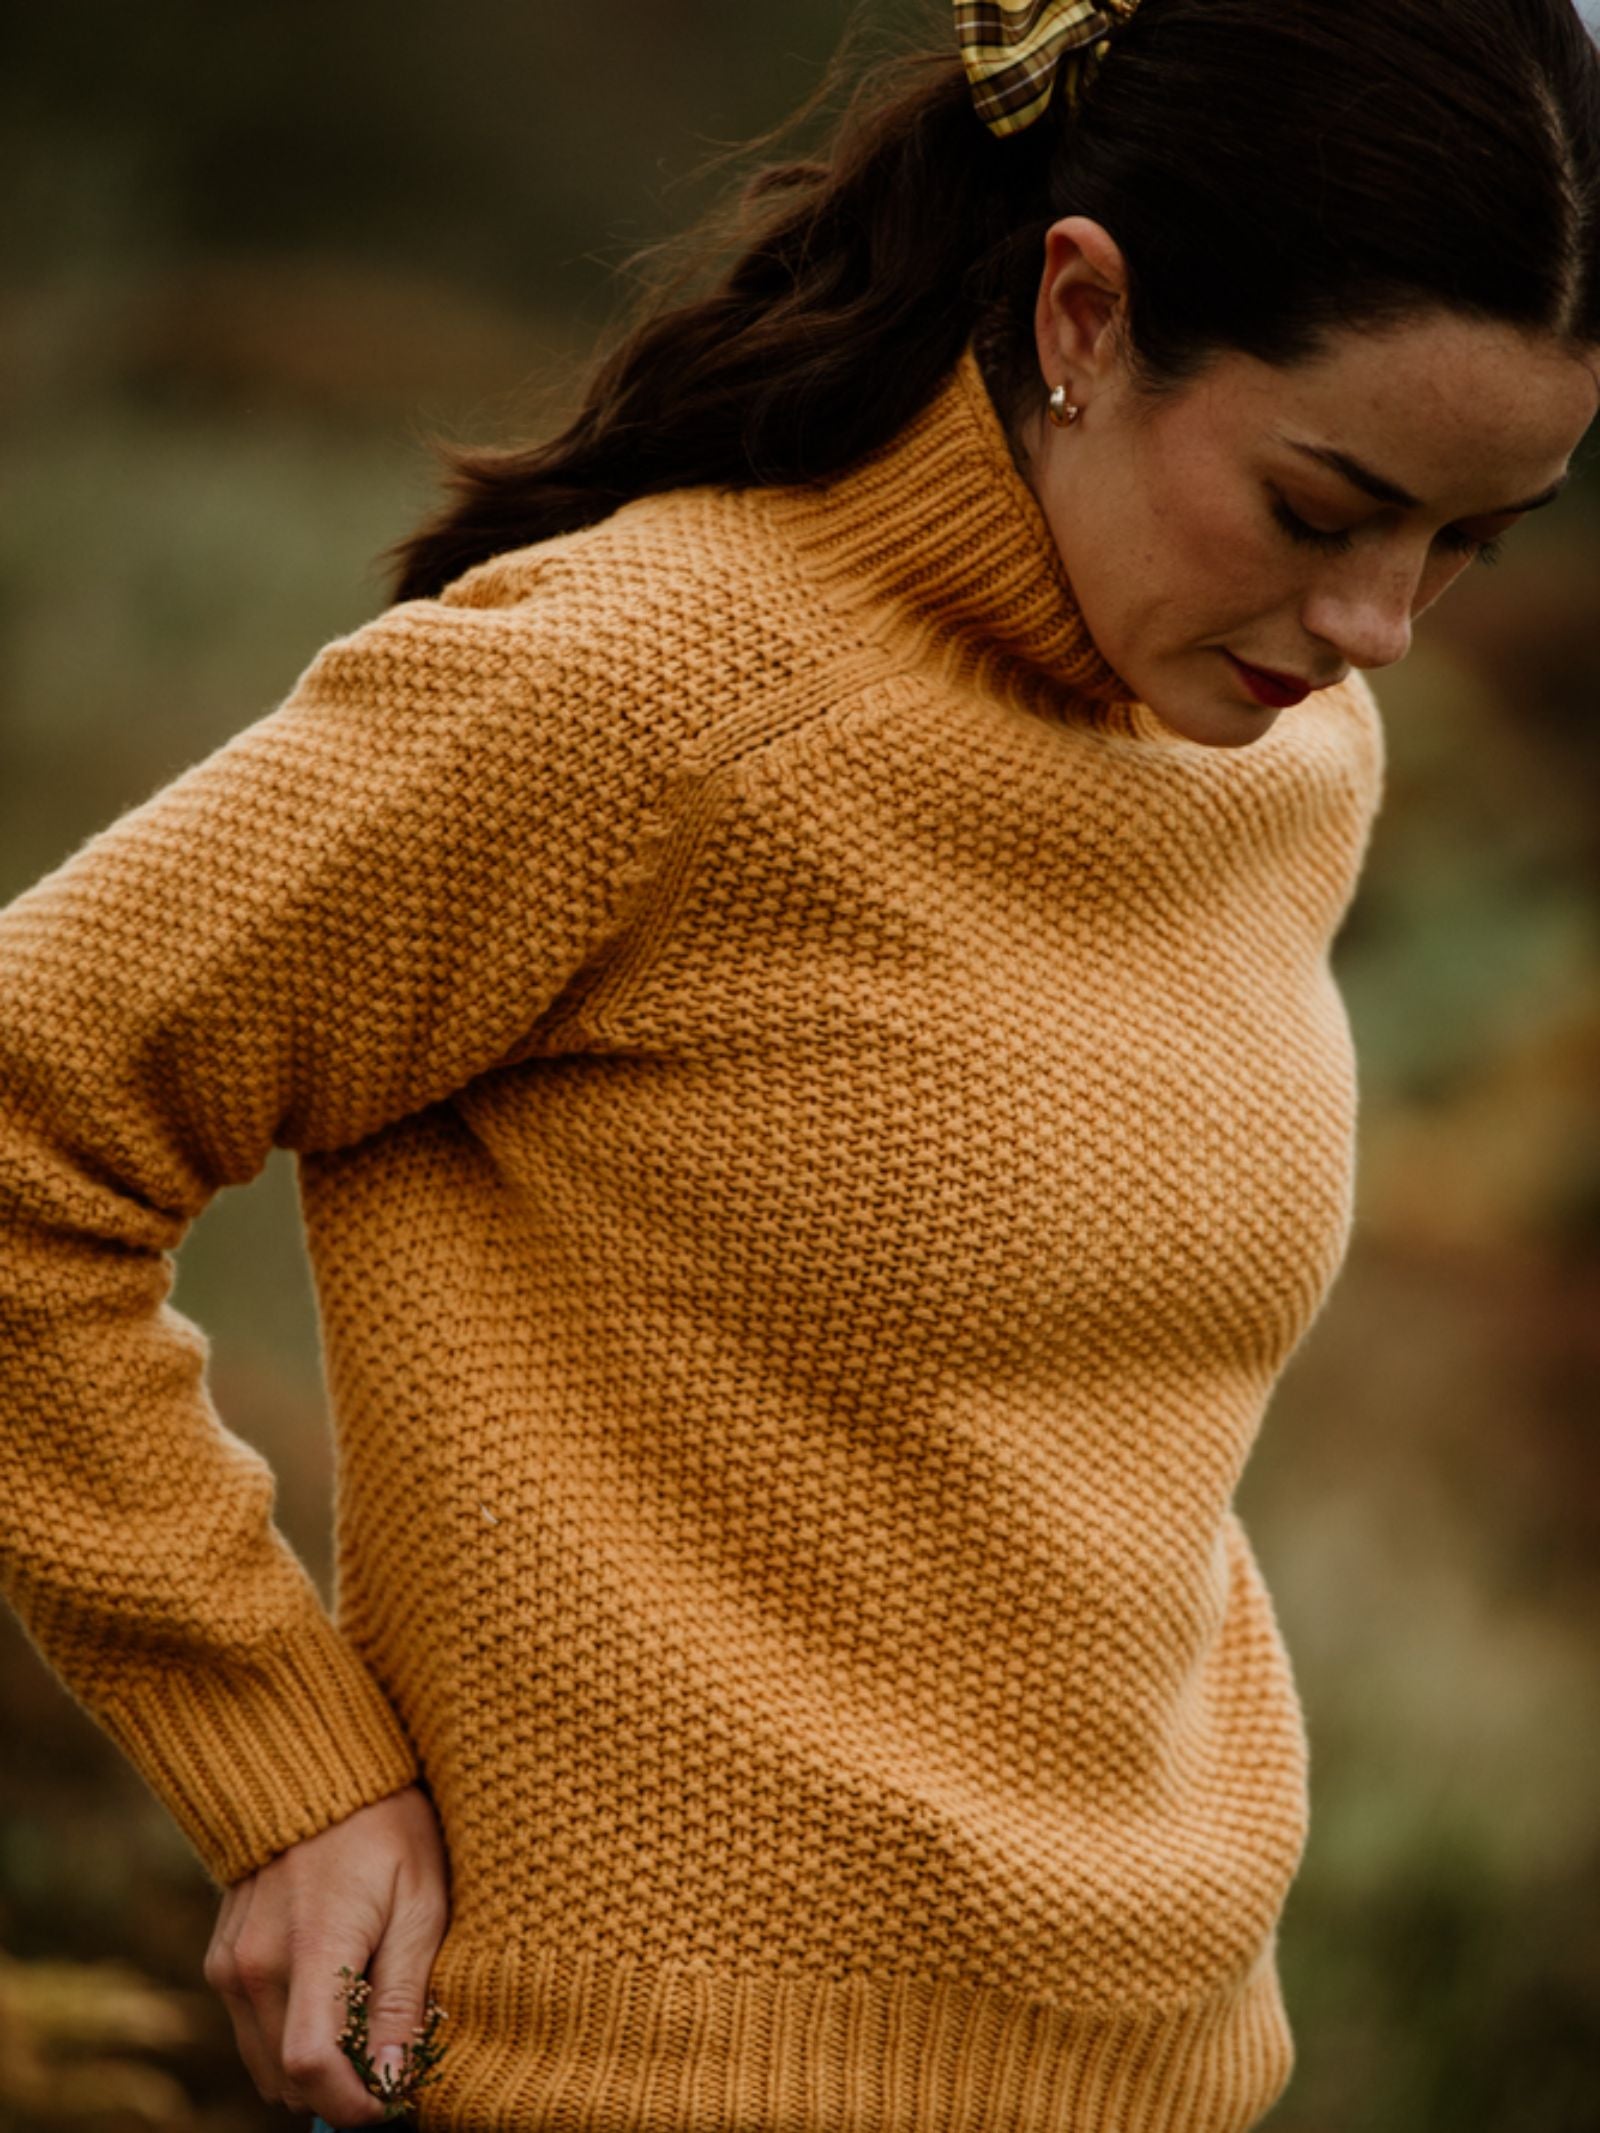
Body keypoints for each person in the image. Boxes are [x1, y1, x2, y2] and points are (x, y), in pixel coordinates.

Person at [2, 0, 1597, 2126]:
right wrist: (283, 1762)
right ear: (1083, 308)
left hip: (1173, 2080)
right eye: (1324, 504)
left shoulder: (1283, 753)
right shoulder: (649, 694)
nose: (1380, 618)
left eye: (1468, 540)